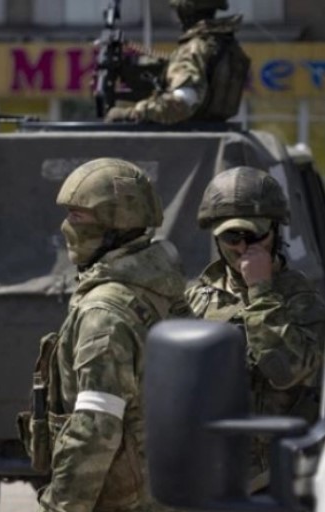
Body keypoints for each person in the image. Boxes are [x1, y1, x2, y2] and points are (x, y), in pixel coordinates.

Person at [18, 158, 189, 511]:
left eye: (77, 215)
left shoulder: (104, 315)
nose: (66, 226)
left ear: (113, 226)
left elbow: (95, 429)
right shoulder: (159, 287)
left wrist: (59, 505)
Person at [186, 166, 325, 492]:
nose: (242, 248)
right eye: (231, 237)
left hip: (277, 477)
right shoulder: (198, 296)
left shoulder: (302, 299)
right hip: (209, 466)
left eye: (255, 236)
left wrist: (260, 290)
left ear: (275, 231)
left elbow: (286, 370)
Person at [105, 0, 249, 124]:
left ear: (186, 11)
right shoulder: (225, 44)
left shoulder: (194, 48)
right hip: (215, 131)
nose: (177, 18)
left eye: (178, 11)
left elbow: (182, 102)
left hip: (189, 138)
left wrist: (134, 113)